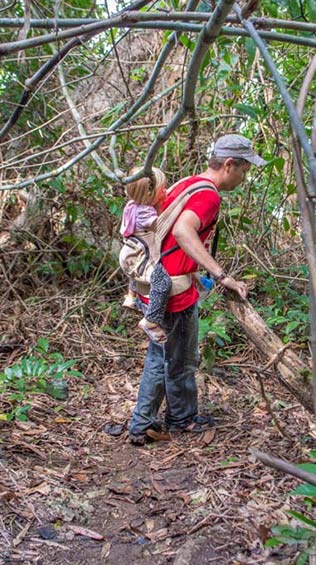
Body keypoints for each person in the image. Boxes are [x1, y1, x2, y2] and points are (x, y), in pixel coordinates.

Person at [128, 134, 267, 445]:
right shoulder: (208, 196)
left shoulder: (188, 182)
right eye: (244, 170)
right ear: (229, 165)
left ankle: (170, 417)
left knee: (165, 354)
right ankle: (160, 422)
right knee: (174, 358)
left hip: (157, 284)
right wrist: (221, 275)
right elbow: (181, 231)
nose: (244, 178)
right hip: (173, 290)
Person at [120, 166, 171, 343]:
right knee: (163, 282)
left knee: (133, 273)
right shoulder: (146, 211)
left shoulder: (131, 205)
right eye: (162, 189)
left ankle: (131, 296)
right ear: (149, 194)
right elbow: (161, 225)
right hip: (144, 255)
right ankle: (151, 320)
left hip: (130, 253)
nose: (165, 191)